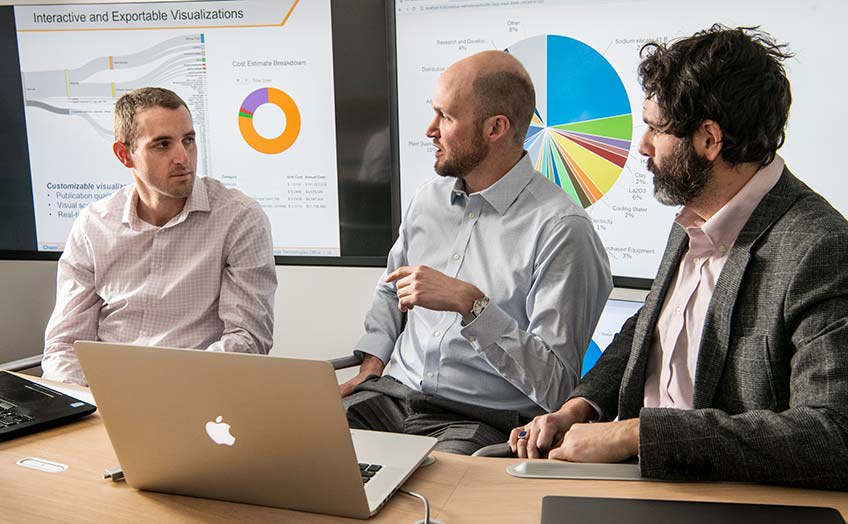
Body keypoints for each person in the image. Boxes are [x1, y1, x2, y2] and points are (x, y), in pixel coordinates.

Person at [509, 25, 848, 491]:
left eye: (655, 127)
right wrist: (580, 407)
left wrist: (636, 435)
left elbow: (832, 436)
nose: (643, 145)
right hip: (635, 483)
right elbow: (651, 327)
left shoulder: (819, 248)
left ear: (709, 139)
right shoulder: (696, 213)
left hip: (715, 497)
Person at [340, 50, 612, 455]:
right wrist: (373, 363)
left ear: (495, 128)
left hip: (477, 419)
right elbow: (389, 291)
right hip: (393, 395)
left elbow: (556, 386)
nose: (431, 129)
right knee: (293, 452)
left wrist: (472, 305)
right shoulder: (426, 200)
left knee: (429, 504)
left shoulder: (562, 231)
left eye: (446, 117)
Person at [42, 87, 277, 385]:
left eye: (188, 140)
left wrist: (159, 388)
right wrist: (93, 401)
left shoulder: (239, 217)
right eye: (162, 145)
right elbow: (64, 345)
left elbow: (248, 341)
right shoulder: (94, 225)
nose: (183, 158)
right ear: (125, 155)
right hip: (104, 399)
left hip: (197, 393)